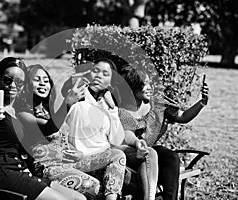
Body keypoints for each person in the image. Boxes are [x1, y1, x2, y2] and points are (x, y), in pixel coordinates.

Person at [0, 57, 86, 200]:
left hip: (19, 169)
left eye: (19, 81)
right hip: (0, 171)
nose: (13, 85)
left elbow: (49, 128)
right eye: (8, 80)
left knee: (78, 198)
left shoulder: (18, 112)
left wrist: (67, 104)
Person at [18, 64, 127, 200]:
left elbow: (63, 137)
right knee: (94, 185)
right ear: (27, 84)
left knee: (117, 154)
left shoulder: (50, 110)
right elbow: (49, 128)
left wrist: (77, 152)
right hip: (48, 168)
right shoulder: (23, 114)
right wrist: (67, 103)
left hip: (69, 163)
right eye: (37, 80)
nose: (42, 84)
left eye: (46, 81)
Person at [61, 58, 158, 200]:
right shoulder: (77, 96)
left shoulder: (107, 103)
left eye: (105, 74)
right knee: (133, 179)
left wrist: (112, 109)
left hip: (105, 152)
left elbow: (116, 139)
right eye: (95, 71)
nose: (99, 75)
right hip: (86, 157)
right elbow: (58, 127)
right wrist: (68, 101)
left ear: (111, 82)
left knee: (149, 153)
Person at [118, 64, 209, 200]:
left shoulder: (158, 104)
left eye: (150, 83)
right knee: (151, 155)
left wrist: (202, 102)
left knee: (171, 157)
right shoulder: (122, 111)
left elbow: (183, 117)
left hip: (151, 151)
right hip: (130, 154)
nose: (150, 88)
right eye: (144, 85)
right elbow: (126, 136)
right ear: (132, 88)